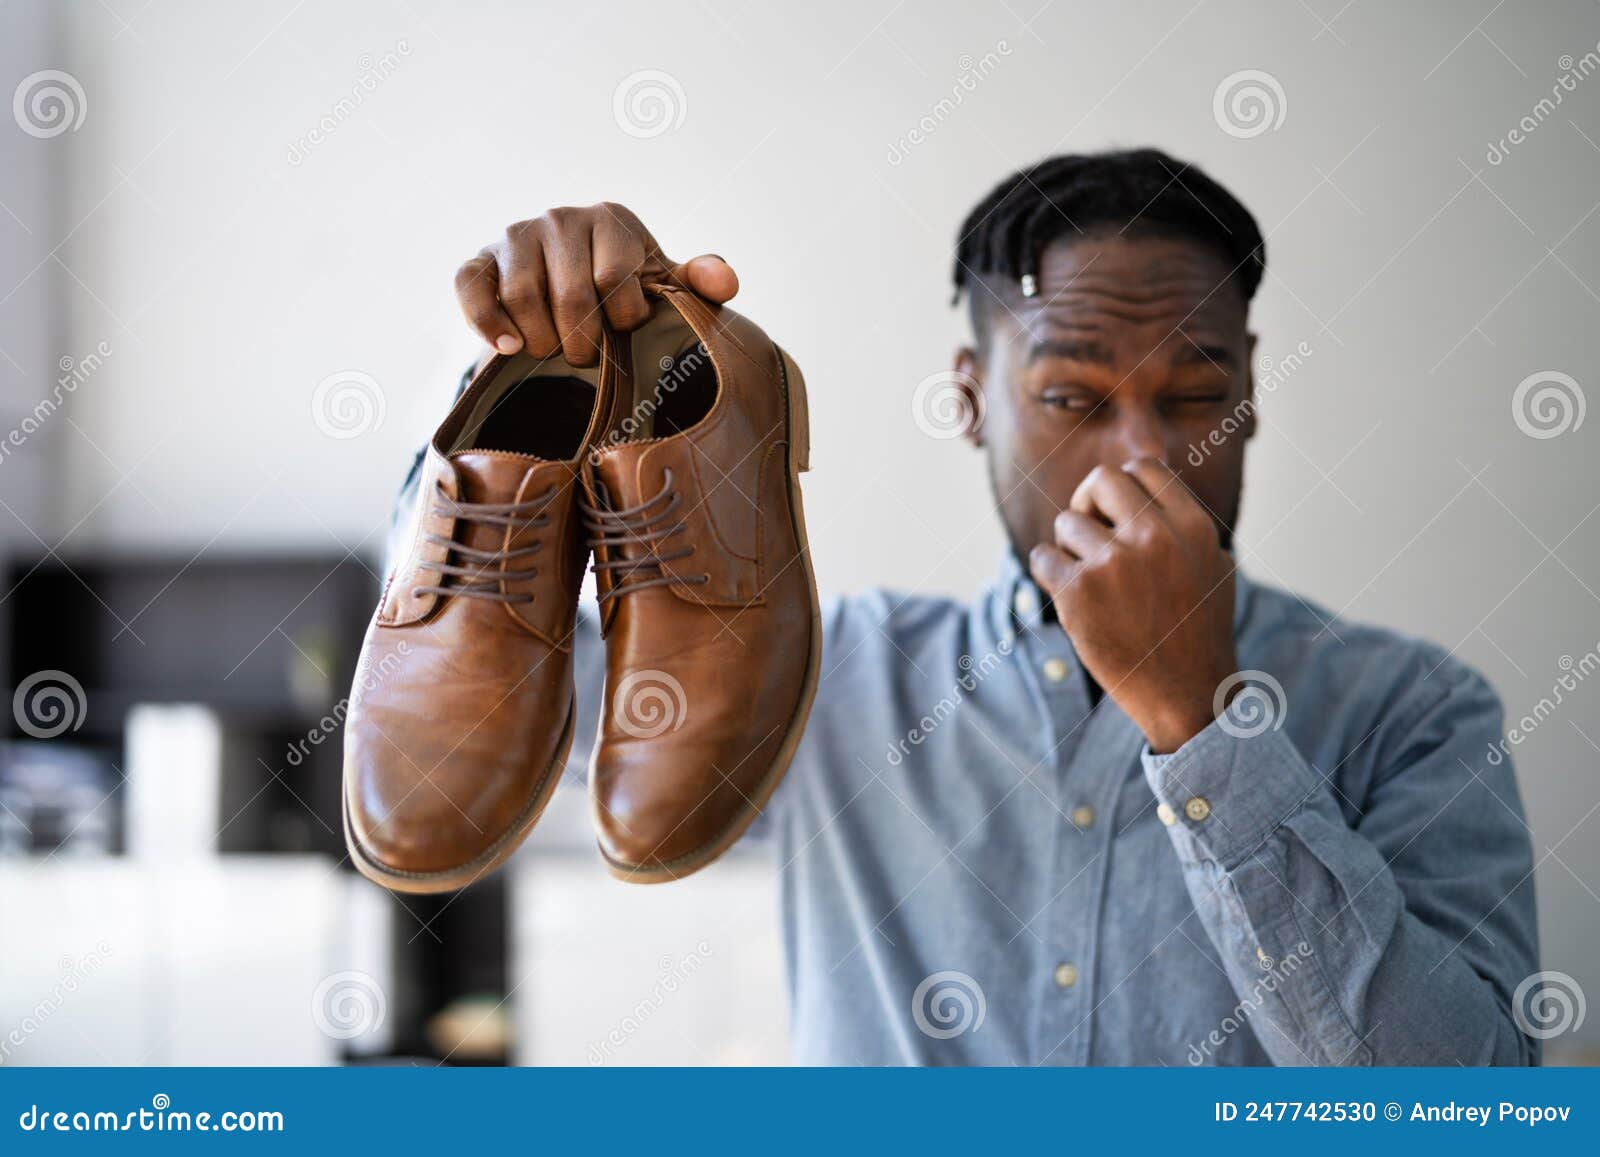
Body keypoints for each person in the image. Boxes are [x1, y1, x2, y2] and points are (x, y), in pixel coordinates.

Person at [400, 148, 1538, 1065]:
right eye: (1070, 397)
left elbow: (1462, 1108)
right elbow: (470, 723)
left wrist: (1199, 727)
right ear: (969, 400)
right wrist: (546, 376)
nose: (1141, 455)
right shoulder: (823, 671)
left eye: (1197, 396)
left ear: (1246, 392)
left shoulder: (1413, 709)